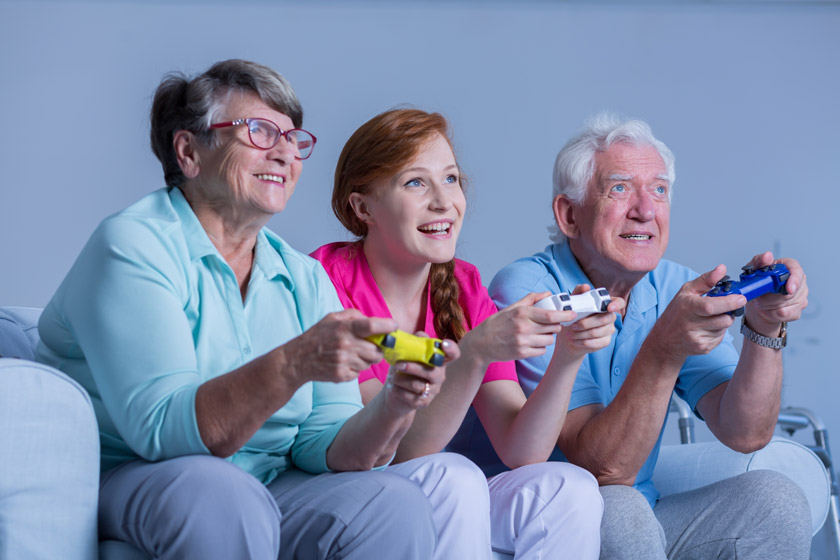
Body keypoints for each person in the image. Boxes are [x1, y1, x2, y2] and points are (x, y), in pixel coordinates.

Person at [35, 60, 490, 560]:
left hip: (267, 481)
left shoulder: (302, 277)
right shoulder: (133, 245)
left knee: (393, 502)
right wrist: (295, 362)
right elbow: (164, 431)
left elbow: (325, 442)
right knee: (222, 495)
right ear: (189, 151)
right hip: (139, 475)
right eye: (258, 131)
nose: (284, 152)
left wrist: (395, 406)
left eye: (294, 139)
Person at [487, 112, 813, 559]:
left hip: (642, 515)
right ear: (568, 215)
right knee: (619, 507)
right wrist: (664, 349)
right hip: (554, 518)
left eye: (659, 190)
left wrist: (764, 326)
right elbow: (601, 468)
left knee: (775, 502)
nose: (645, 209)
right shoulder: (528, 291)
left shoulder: (673, 286)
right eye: (619, 188)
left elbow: (746, 433)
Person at [311, 108, 616, 559]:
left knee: (568, 486)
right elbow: (398, 451)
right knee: (454, 475)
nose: (443, 201)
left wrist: (567, 354)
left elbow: (521, 449)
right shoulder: (325, 281)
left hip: (435, 488)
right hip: (352, 492)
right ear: (362, 207)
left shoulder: (464, 285)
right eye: (416, 182)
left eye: (451, 179)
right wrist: (473, 353)